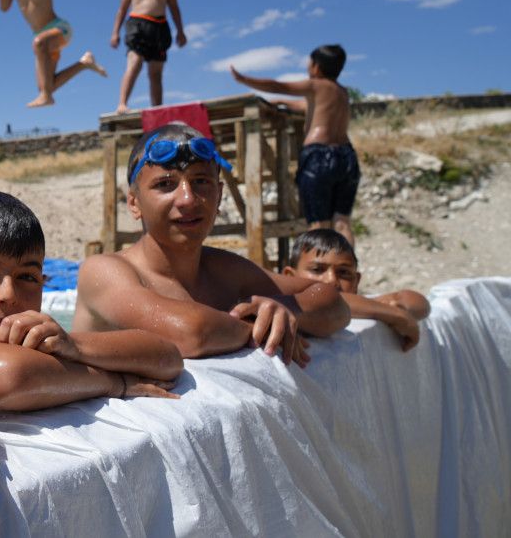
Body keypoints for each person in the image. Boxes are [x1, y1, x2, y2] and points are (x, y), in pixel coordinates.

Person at [73, 124, 350, 365]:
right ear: (134, 203)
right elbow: (191, 333)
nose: (188, 199)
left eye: (200, 181)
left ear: (218, 195)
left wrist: (283, 308)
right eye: (165, 184)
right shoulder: (104, 271)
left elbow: (333, 302)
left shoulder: (223, 270)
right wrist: (258, 323)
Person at [0, 190, 184, 411]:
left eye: (27, 277)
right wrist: (113, 382)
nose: (8, 294)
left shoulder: (37, 344)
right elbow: (12, 378)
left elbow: (168, 357)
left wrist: (74, 346)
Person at [230, 44, 361, 245]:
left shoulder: (316, 85)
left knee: (319, 224)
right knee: (342, 223)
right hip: (346, 157)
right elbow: (304, 105)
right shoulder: (342, 92)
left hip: (319, 156)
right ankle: (348, 263)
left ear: (316, 67)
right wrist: (281, 101)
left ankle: (319, 265)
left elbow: (279, 85)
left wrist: (245, 80)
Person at [0, 0, 125, 108]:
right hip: (41, 38)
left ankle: (45, 96)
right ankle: (84, 63)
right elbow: (4, 7)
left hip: (59, 29)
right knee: (47, 85)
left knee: (39, 45)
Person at [284, 228, 430, 351]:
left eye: (343, 272)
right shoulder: (285, 304)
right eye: (317, 269)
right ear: (289, 277)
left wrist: (384, 305)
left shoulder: (367, 306)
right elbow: (325, 303)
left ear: (356, 281)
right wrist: (392, 313)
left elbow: (418, 303)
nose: (331, 280)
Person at [111, 0, 187, 114]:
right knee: (134, 63)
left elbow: (174, 7)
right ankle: (122, 103)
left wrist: (180, 31)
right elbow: (122, 9)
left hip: (159, 27)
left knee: (155, 73)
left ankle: (157, 109)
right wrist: (115, 32)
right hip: (137, 25)